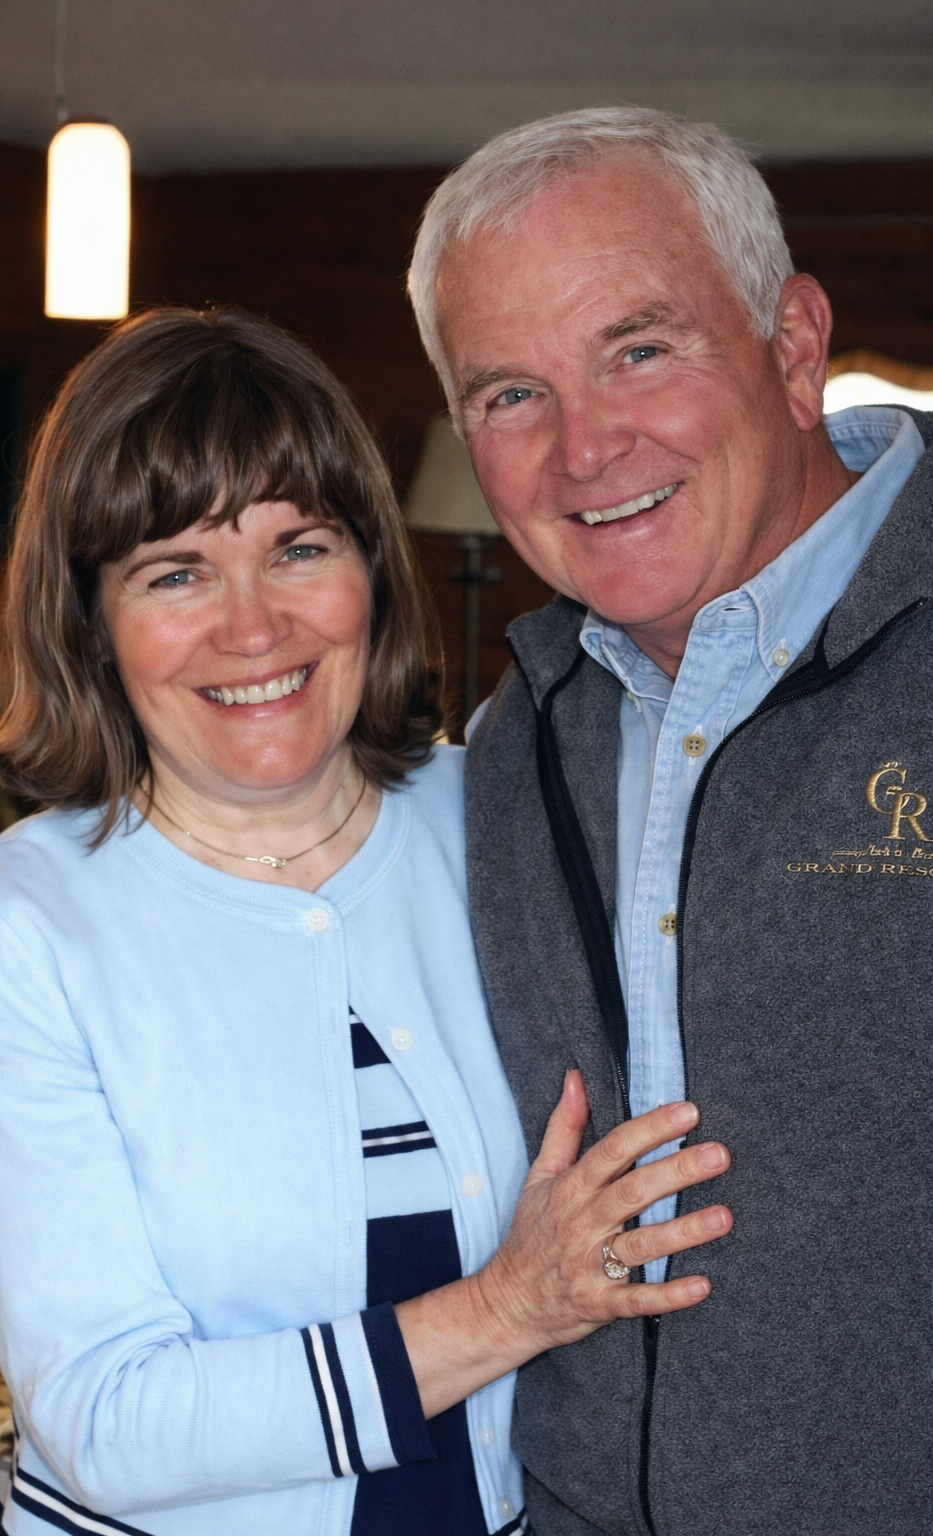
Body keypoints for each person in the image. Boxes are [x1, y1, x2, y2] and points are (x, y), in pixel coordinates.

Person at [0, 307, 735, 1536]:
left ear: (370, 570)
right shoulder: (33, 922)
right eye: (174, 572)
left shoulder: (503, 814)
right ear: (91, 624)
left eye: (298, 548)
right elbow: (108, 1423)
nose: (252, 626)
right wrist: (509, 1308)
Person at [406, 106, 933, 1536]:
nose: (585, 449)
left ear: (794, 347)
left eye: (638, 350)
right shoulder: (516, 737)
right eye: (511, 394)